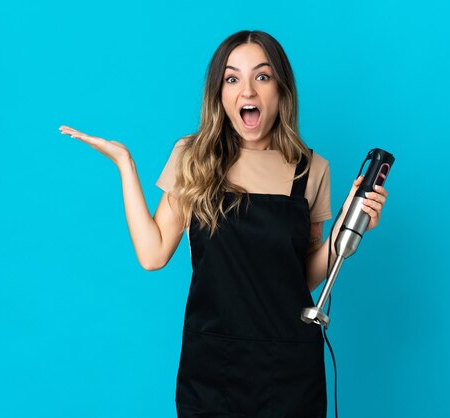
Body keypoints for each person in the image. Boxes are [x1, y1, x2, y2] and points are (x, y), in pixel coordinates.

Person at [59, 30, 388, 418]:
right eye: (232, 78)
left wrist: (349, 230)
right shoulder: (193, 157)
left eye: (262, 77)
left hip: (289, 370)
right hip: (212, 367)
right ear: (220, 94)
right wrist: (124, 163)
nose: (247, 90)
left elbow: (302, 280)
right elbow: (152, 254)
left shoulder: (312, 170)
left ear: (281, 90)